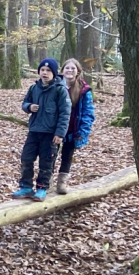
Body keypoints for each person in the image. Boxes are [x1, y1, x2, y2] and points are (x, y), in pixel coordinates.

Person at [12, 57, 72, 202]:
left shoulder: (60, 90)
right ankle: (26, 187)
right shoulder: (34, 88)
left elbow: (65, 113)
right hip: (34, 131)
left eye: (48, 70)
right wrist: (29, 107)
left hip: (50, 134)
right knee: (26, 158)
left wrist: (60, 133)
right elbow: (25, 103)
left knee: (46, 162)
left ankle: (42, 187)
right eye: (42, 70)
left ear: (54, 73)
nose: (45, 73)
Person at [56, 58, 95, 194]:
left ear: (78, 71)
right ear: (62, 71)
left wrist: (83, 131)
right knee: (50, 154)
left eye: (73, 68)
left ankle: (61, 183)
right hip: (55, 129)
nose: (70, 70)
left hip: (73, 129)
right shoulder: (55, 86)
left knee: (67, 156)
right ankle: (46, 182)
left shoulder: (84, 90)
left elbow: (88, 112)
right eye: (67, 68)